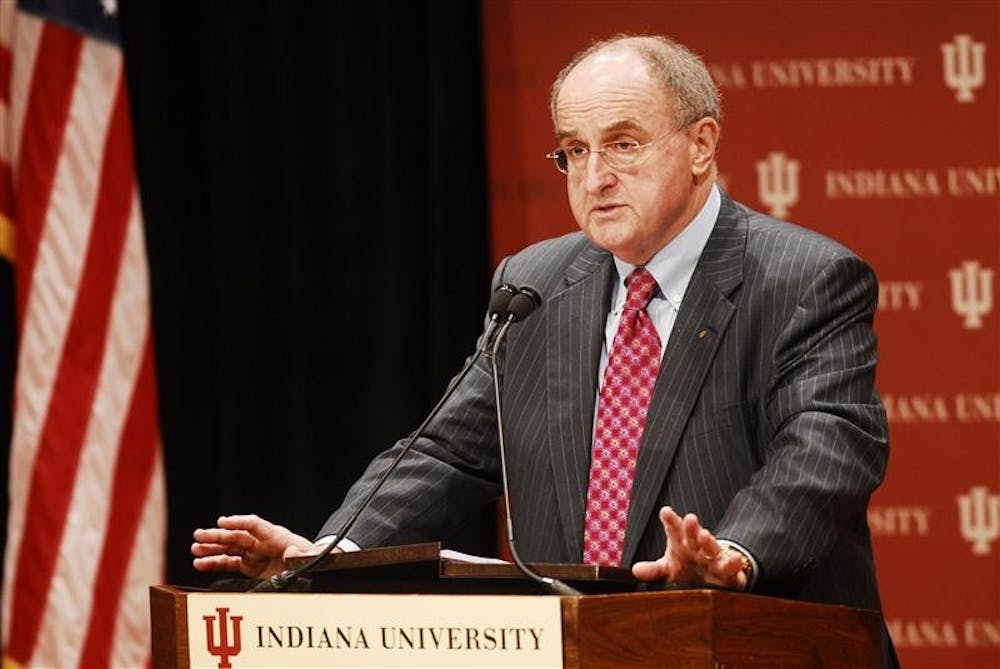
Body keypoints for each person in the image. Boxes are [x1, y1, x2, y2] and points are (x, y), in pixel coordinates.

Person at [193, 33, 894, 661]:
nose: (594, 179)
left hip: (754, 644)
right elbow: (447, 453)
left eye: (623, 143)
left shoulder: (804, 278)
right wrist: (331, 554)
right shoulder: (533, 283)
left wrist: (735, 555)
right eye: (575, 150)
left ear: (702, 144)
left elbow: (825, 445)